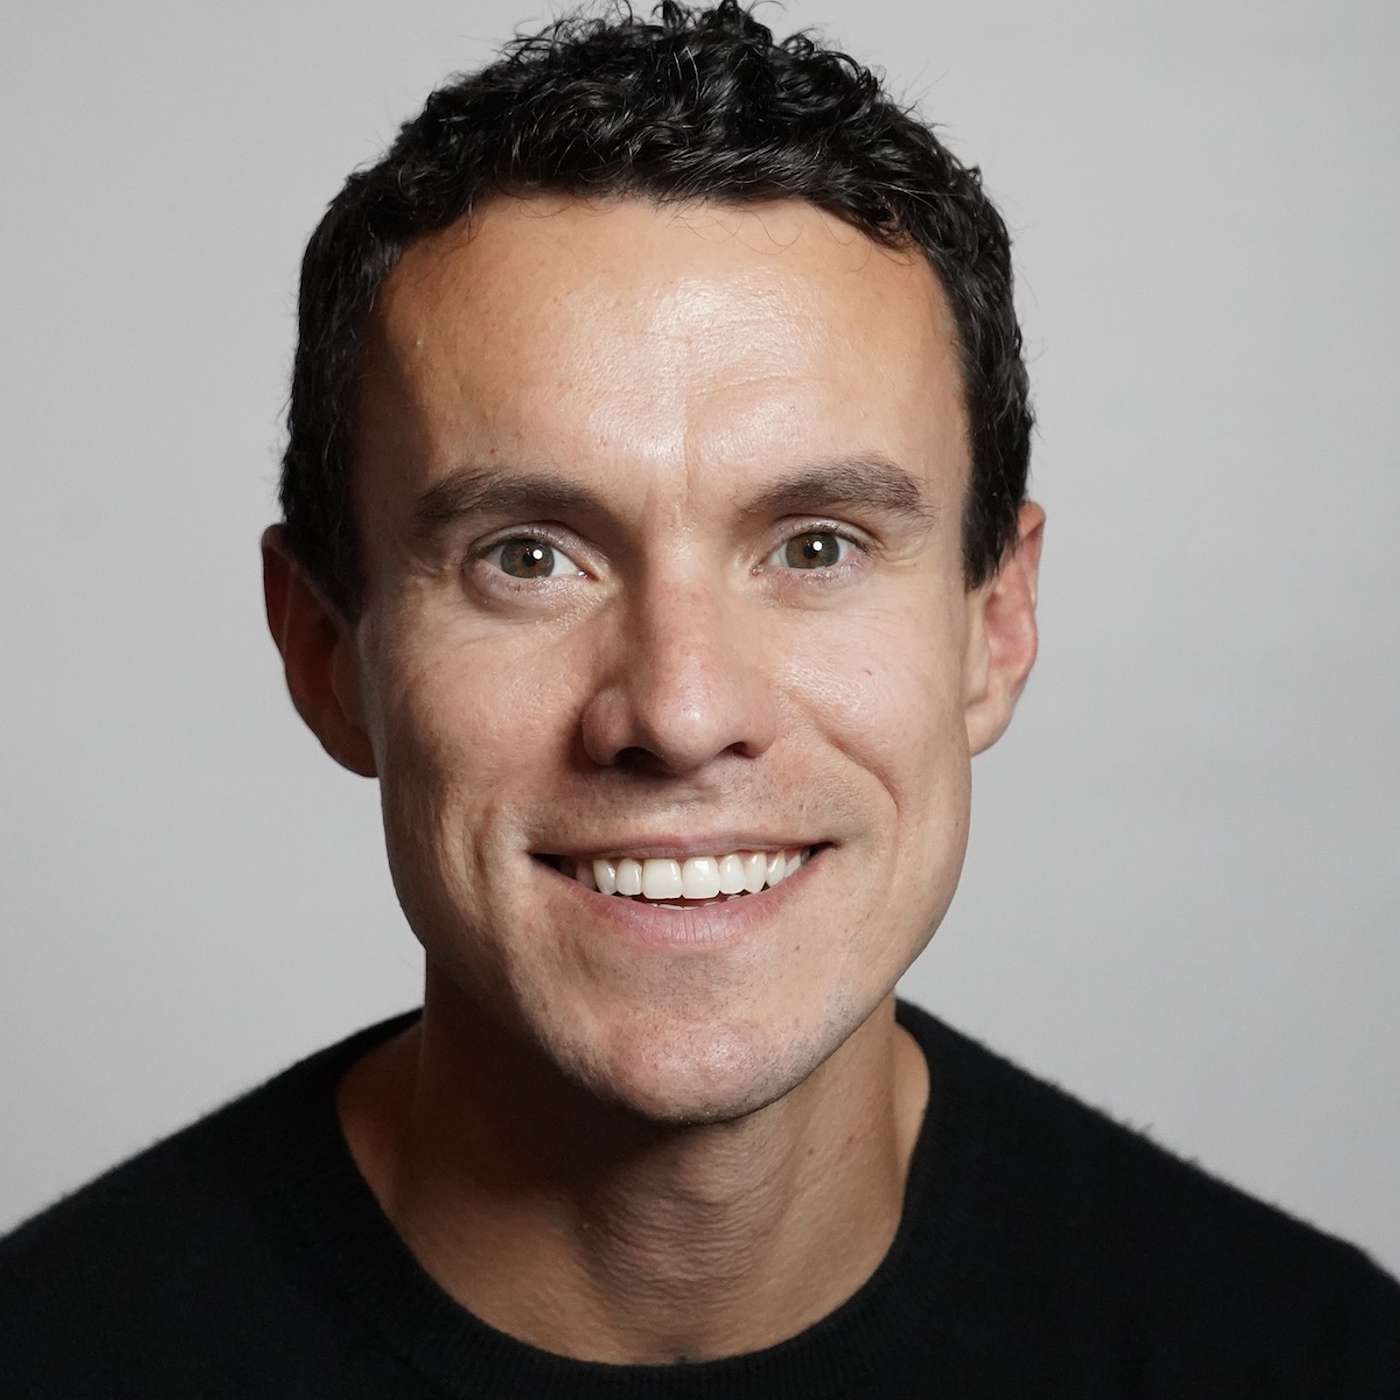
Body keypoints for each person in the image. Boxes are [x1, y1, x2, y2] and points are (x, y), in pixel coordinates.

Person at [2, 2, 1396, 1393]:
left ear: (996, 626)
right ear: (326, 654)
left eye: (816, 548)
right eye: (527, 558)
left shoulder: (1307, 1359)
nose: (677, 713)